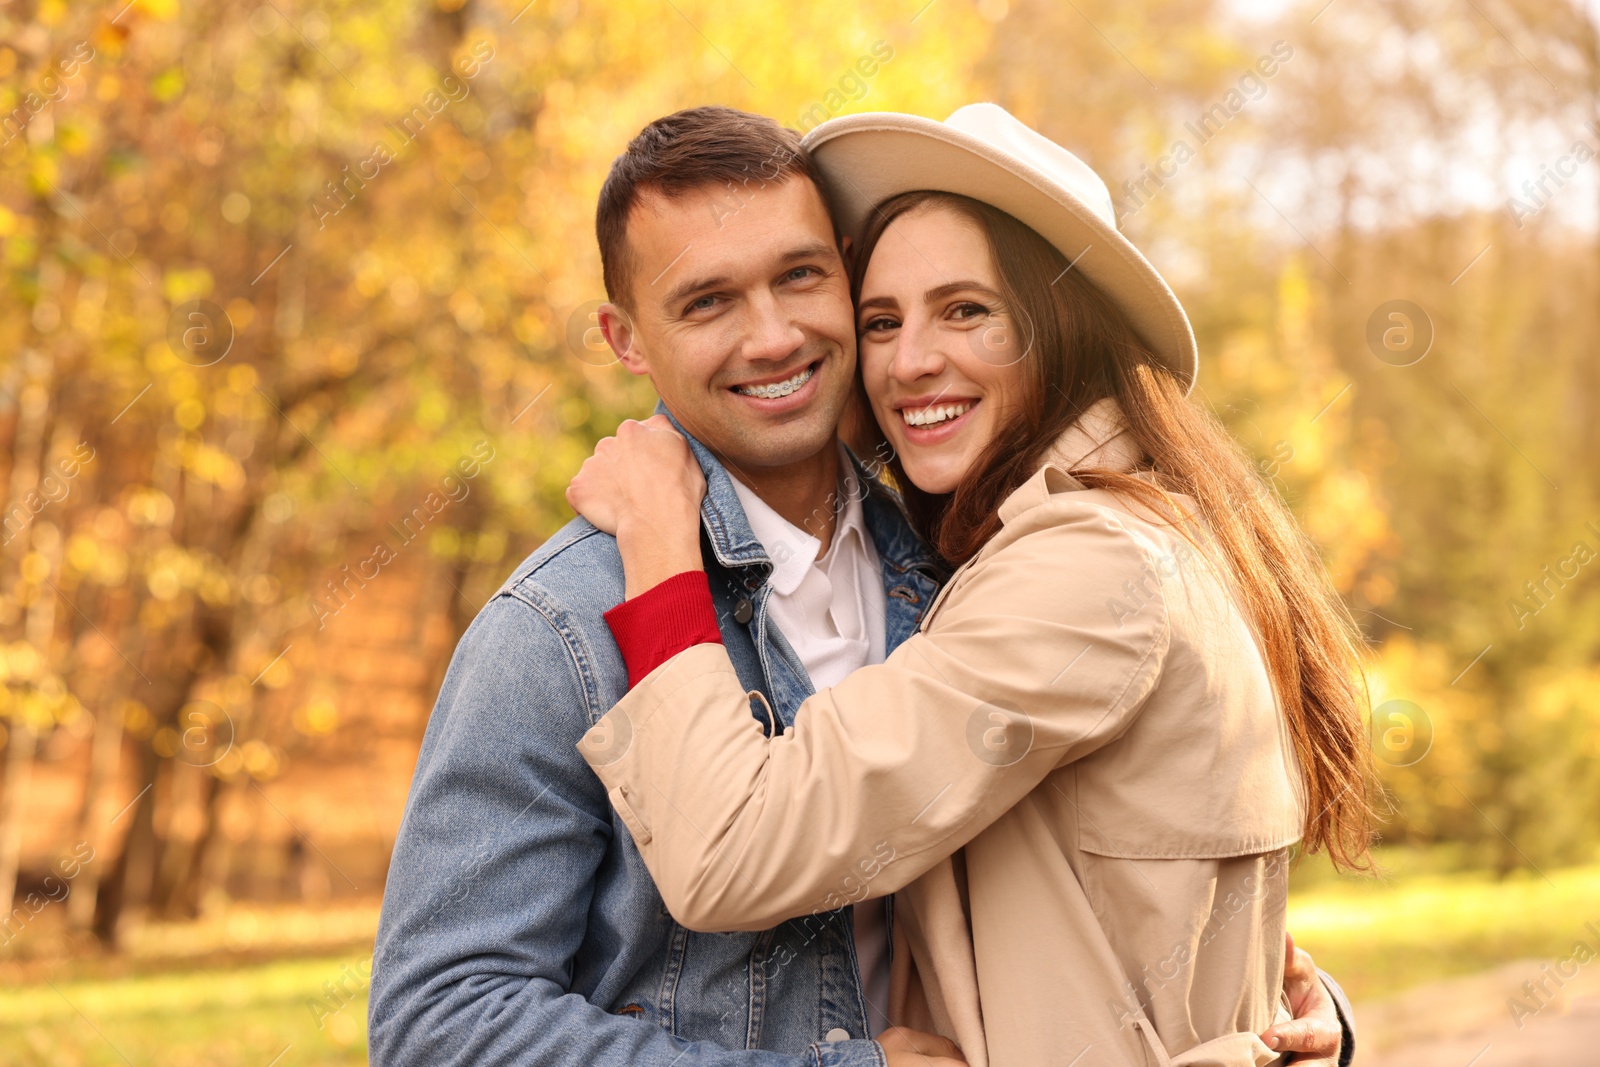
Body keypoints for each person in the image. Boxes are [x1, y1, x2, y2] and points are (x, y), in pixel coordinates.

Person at [369, 105, 1353, 1066]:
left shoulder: (978, 572)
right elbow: (439, 1026)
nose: (771, 337)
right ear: (626, 340)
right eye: (706, 301)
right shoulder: (561, 624)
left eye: (800, 277)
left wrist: (1256, 999)